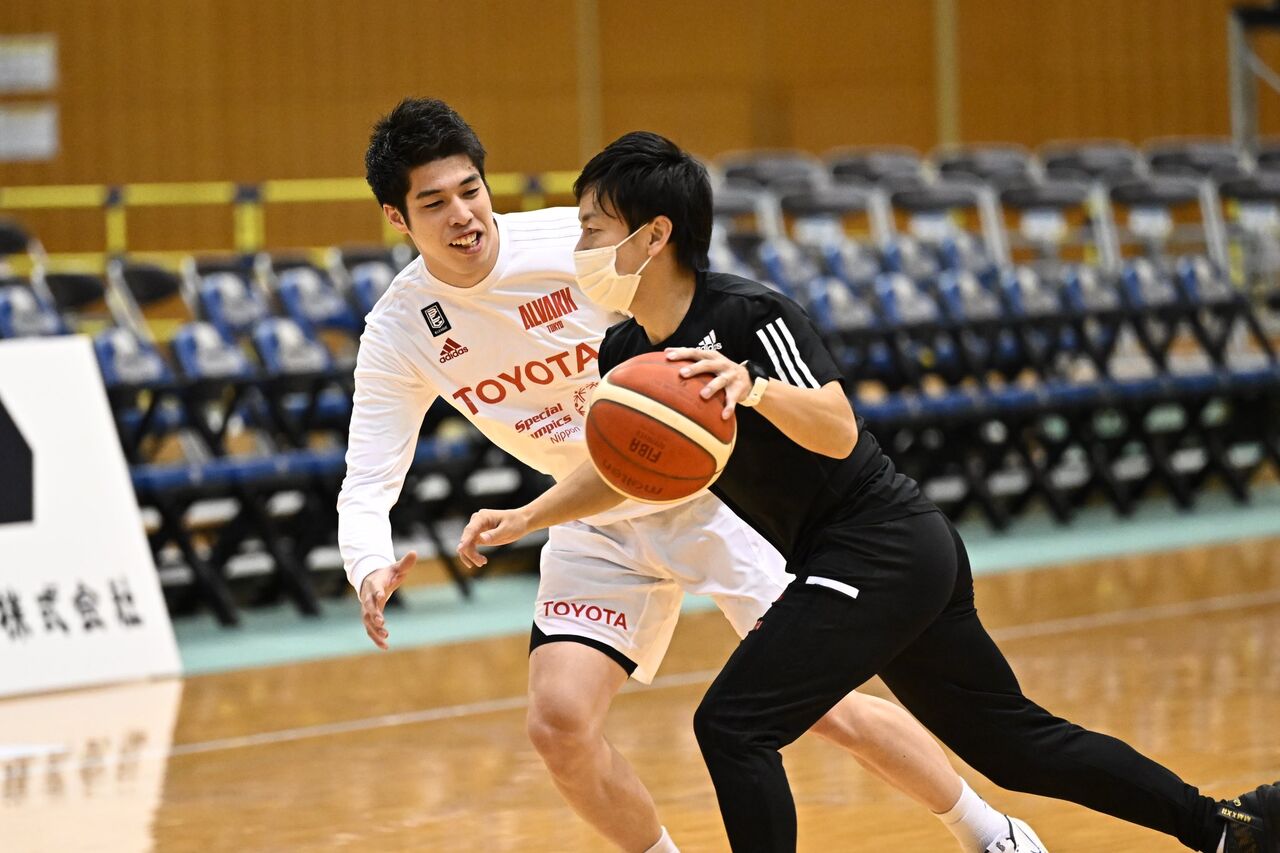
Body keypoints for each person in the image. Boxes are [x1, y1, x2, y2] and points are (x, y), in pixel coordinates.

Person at [456, 129, 1280, 853]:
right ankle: (1226, 828)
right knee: (1016, 744)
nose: (580, 247)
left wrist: (753, 387)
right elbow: (622, 469)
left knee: (733, 723)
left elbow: (839, 428)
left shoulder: (748, 315)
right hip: (852, 556)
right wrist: (528, 515)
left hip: (881, 540)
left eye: (593, 228)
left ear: (653, 234)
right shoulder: (623, 352)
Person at [340, 98, 1042, 853]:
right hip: (592, 510)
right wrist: (368, 562)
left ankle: (991, 833)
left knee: (824, 706)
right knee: (559, 726)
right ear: (397, 217)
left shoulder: (578, 244)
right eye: (434, 203)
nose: (463, 215)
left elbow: (706, 298)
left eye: (470, 190)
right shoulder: (399, 329)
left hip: (712, 493)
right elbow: (369, 471)